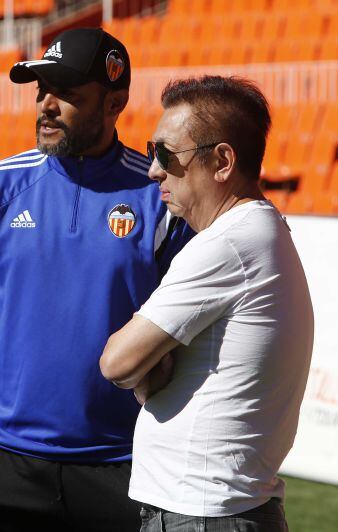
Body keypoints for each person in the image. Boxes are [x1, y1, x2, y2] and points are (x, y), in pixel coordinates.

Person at [0, 28, 193, 531]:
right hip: (2, 465)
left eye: (67, 93)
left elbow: (189, 336)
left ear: (115, 102)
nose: (46, 106)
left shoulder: (161, 197)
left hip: (126, 468)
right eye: (41, 91)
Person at [99, 76, 314, 531]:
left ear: (222, 161)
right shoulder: (257, 232)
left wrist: (147, 367)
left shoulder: (228, 242)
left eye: (166, 154)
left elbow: (117, 362)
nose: (153, 170)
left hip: (201, 514)